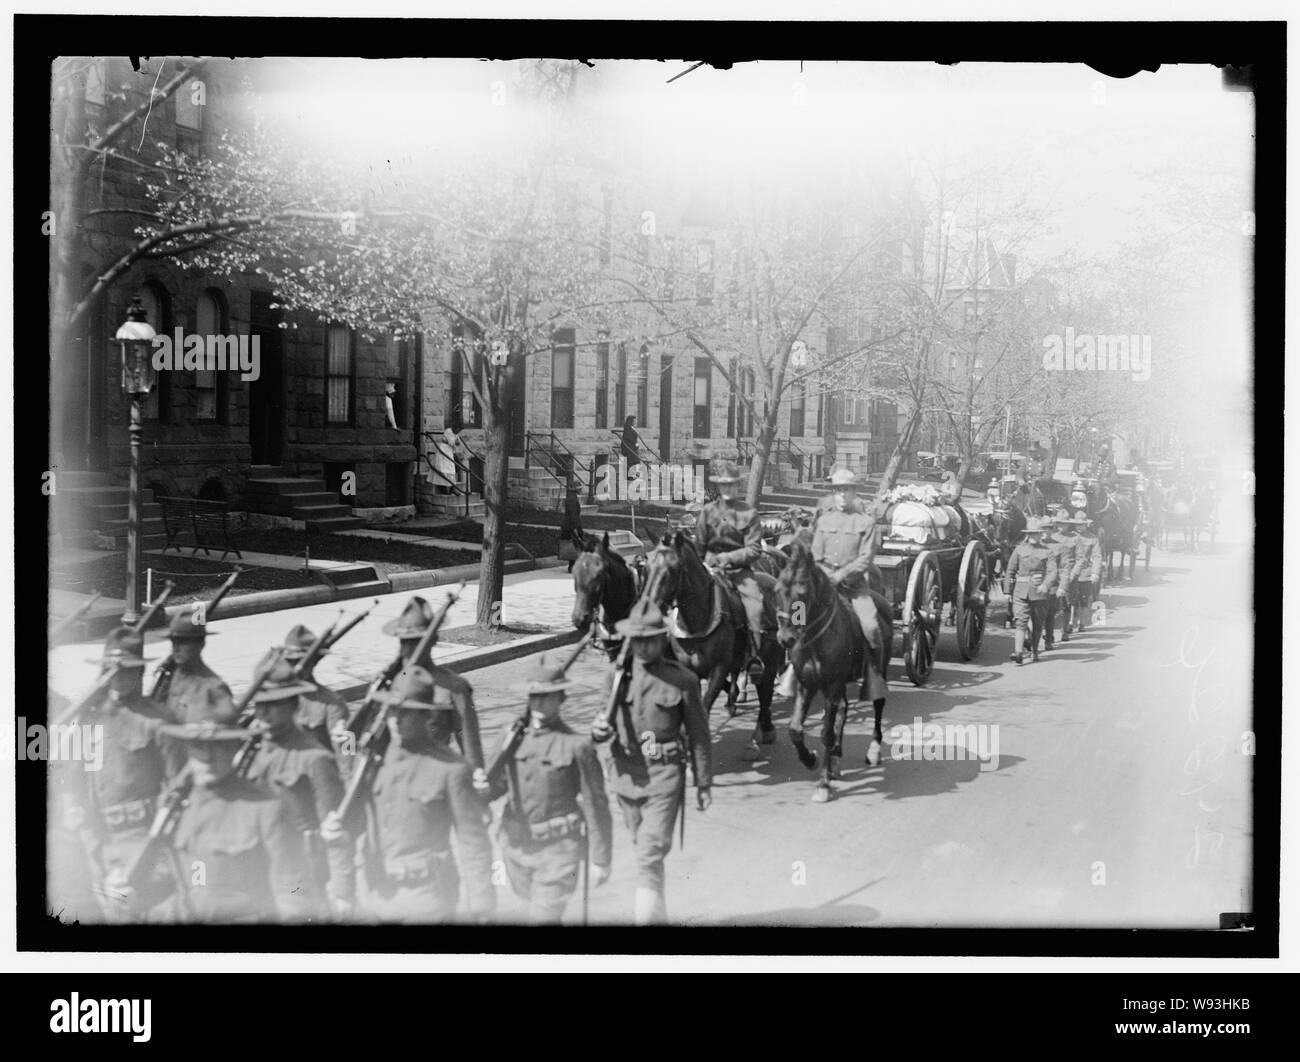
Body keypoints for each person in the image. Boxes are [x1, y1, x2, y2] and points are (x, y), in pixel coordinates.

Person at [591, 598, 711, 925]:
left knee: (648, 852)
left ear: (663, 639)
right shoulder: (616, 679)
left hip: (664, 777)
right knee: (645, 851)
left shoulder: (683, 680)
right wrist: (599, 730)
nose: (644, 647)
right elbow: (601, 727)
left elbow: (699, 734)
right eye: (638, 640)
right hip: (625, 777)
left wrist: (703, 782)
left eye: (651, 640)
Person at [350, 666, 496, 924]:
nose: (394, 720)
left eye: (403, 713)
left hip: (428, 895)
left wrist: (482, 901)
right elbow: (351, 818)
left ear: (421, 716)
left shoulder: (450, 769)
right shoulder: (372, 764)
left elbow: (472, 841)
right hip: (379, 893)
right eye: (391, 711)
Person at [60, 627, 180, 923]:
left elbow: (177, 783)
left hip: (138, 833)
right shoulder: (87, 716)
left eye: (128, 670)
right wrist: (72, 808)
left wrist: (160, 836)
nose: (120, 676)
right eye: (113, 669)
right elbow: (70, 774)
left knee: (134, 909)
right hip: (93, 833)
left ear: (140, 672)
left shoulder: (156, 720)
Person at [486, 653, 613, 924]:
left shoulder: (577, 746)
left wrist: (601, 859)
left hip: (559, 852)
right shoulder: (510, 738)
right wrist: (479, 787)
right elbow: (495, 787)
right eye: (535, 696)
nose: (541, 702)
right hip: (516, 848)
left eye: (548, 696)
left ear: (562, 699)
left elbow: (596, 804)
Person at [157, 721, 317, 924]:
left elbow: (295, 890)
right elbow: (171, 880)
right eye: (198, 747)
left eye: (219, 747)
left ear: (235, 749)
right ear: (187, 749)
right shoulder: (174, 806)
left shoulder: (266, 809)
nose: (208, 758)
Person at [243, 652, 355, 920]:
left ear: (293, 705)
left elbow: (335, 828)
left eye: (273, 704)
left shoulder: (314, 759)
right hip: (254, 864)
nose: (264, 712)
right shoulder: (249, 752)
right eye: (259, 704)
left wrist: (341, 889)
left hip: (299, 869)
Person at [381, 596, 486, 790]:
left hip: (433, 785)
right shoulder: (386, 684)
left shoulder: (454, 688)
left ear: (433, 641)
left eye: (418, 641)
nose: (412, 649)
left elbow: (470, 748)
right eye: (406, 642)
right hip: (389, 785)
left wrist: (476, 780)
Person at [808, 468, 889, 700]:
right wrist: (825, 576)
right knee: (797, 613)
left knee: (872, 626)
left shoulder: (865, 522)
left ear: (854, 492)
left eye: (846, 490)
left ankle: (874, 675)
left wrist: (841, 575)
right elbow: (816, 556)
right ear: (833, 493)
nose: (842, 494)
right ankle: (794, 668)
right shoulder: (823, 521)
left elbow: (865, 558)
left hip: (854, 588)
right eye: (838, 490)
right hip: (823, 587)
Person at [694, 461, 776, 680]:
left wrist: (728, 558)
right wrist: (702, 564)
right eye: (723, 485)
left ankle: (753, 657)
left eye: (731, 485)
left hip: (740, 573)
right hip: (710, 572)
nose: (727, 489)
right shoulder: (707, 512)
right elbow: (699, 546)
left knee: (755, 607)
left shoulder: (748, 513)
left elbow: (754, 549)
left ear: (738, 486)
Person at [281, 624, 350, 754]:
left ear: (314, 662)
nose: (298, 667)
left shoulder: (332, 703)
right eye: (291, 661)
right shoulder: (275, 699)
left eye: (302, 661)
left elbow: (347, 751)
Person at [158, 612, 236, 726]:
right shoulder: (169, 676)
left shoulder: (214, 687)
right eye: (174, 641)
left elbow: (229, 730)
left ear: (200, 644)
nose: (176, 648)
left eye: (184, 642)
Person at [1003, 517, 1059, 664]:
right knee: (1020, 622)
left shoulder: (1048, 552)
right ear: (1027, 534)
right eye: (1031, 533)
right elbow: (1010, 571)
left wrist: (1046, 585)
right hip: (1020, 593)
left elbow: (1053, 572)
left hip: (1040, 594)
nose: (1033, 536)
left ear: (1041, 534)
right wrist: (1007, 591)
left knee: (1037, 623)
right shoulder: (1019, 549)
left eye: (1036, 533)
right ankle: (1019, 653)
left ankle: (1034, 651)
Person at [1042, 516, 1077, 650]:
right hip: (1036, 584)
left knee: (1050, 613)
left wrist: (1063, 585)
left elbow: (1065, 567)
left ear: (1052, 530)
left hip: (1053, 584)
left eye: (1049, 529)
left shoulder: (1059, 546)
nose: (1046, 531)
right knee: (1034, 613)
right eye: (1043, 529)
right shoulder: (1031, 545)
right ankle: (1032, 638)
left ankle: (1049, 638)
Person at [1068, 514, 1104, 633]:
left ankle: (1081, 623)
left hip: (1085, 572)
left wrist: (1095, 573)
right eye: (1077, 524)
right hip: (1071, 572)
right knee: (1071, 599)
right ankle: (1069, 622)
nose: (1079, 527)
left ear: (1086, 524)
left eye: (1082, 524)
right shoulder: (1070, 537)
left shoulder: (1093, 538)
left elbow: (1097, 556)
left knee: (1083, 599)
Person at [559, 483, 585, 573]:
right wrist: (578, 528)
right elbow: (574, 515)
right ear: (577, 489)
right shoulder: (573, 499)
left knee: (572, 545)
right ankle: (573, 566)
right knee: (574, 546)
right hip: (570, 526)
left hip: (567, 525)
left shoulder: (570, 497)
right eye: (580, 488)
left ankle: (573, 565)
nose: (581, 490)